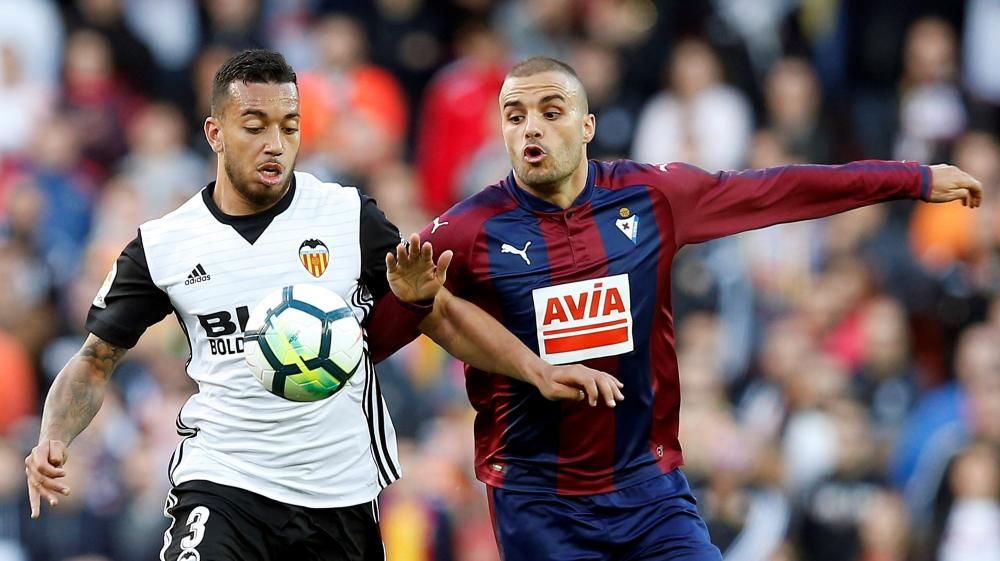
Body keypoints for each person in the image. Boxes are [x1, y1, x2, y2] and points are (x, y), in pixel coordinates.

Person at [23, 50, 623, 561]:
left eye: (289, 125)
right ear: (214, 132)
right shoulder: (165, 244)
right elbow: (95, 359)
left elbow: (438, 313)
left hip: (338, 492)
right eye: (254, 125)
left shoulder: (343, 216)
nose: (275, 144)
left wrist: (537, 370)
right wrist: (55, 435)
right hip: (224, 479)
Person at [420, 56, 984, 561]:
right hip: (540, 502)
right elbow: (378, 328)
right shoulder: (466, 231)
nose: (532, 127)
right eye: (515, 116)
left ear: (588, 126)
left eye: (551, 110)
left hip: (648, 486)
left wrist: (911, 177)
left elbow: (777, 189)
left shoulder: (649, 197)